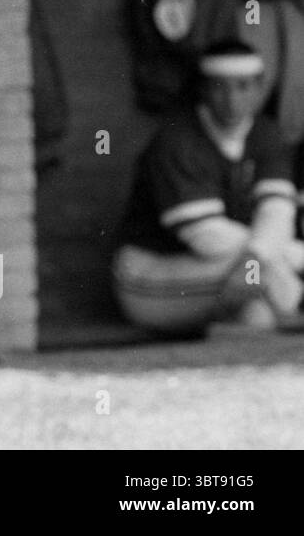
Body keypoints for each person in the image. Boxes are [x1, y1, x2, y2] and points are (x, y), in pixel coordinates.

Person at [114, 39, 304, 334]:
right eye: (220, 87)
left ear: (259, 88)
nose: (232, 100)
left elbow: (277, 213)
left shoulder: (266, 133)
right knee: (264, 277)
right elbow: (206, 234)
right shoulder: (177, 140)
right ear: (203, 89)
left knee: (258, 316)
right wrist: (285, 256)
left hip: (236, 266)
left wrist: (265, 255)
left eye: (243, 86)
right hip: (147, 277)